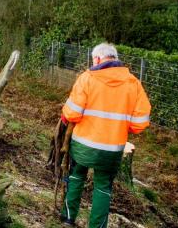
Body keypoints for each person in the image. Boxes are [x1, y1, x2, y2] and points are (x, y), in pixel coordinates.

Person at [60, 43, 151, 227]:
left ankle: (68, 218)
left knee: (76, 176)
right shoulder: (133, 83)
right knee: (103, 188)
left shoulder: (87, 78)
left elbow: (71, 114)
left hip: (83, 144)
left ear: (98, 59)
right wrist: (122, 127)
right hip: (112, 148)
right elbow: (140, 123)